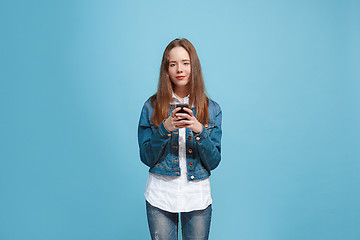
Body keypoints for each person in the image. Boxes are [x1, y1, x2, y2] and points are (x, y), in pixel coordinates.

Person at [138, 38, 222, 240]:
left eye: (185, 63)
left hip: (197, 197)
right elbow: (147, 158)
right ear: (166, 69)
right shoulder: (151, 106)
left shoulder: (212, 109)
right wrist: (165, 128)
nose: (179, 69)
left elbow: (214, 161)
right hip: (160, 195)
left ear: (194, 66)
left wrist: (200, 130)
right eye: (173, 64)